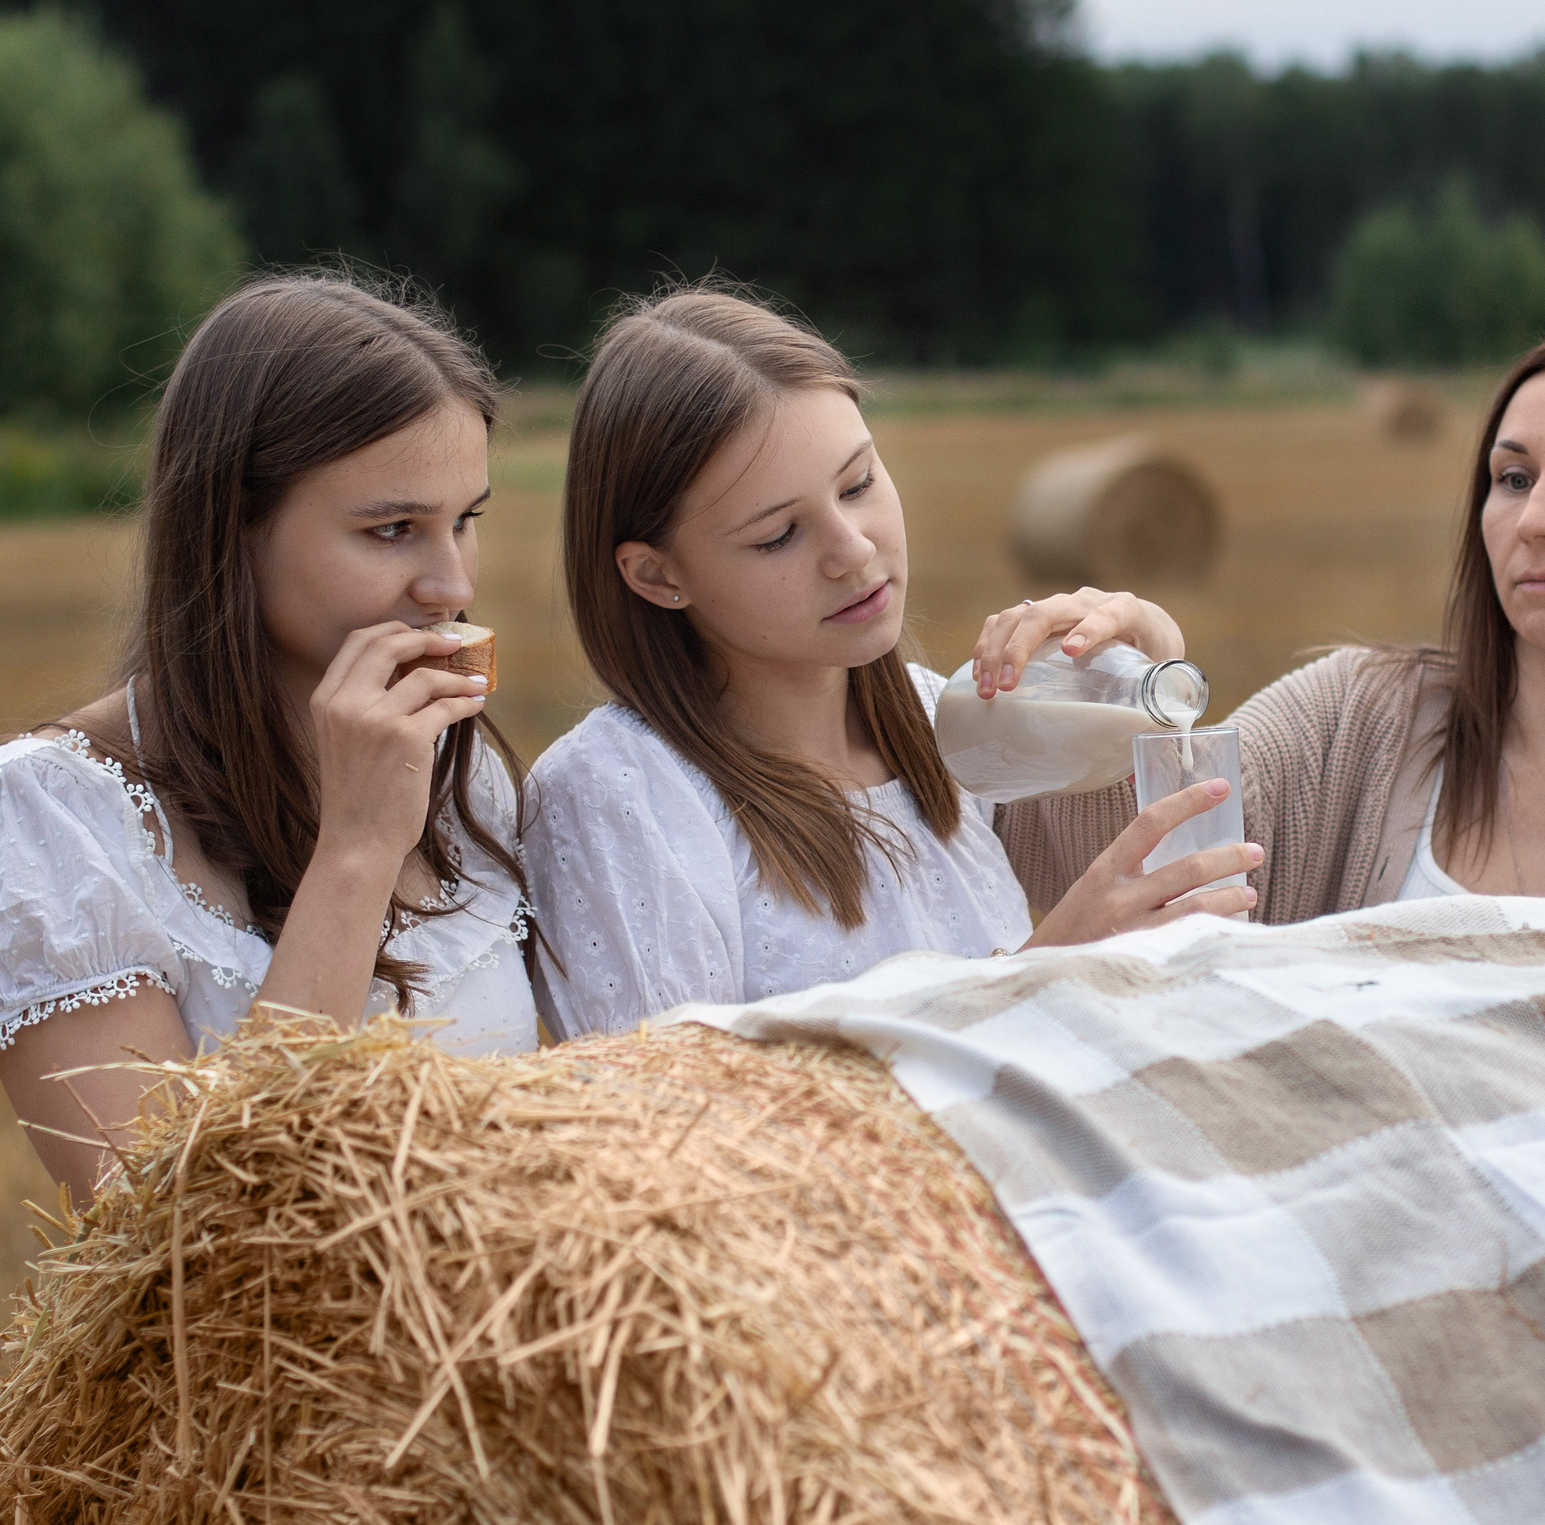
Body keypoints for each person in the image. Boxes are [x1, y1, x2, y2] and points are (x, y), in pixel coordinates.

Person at [0, 274, 537, 1204]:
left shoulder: (464, 782)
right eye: (393, 529)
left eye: (465, 522)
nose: (448, 583)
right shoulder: (47, 823)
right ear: (232, 525)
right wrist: (356, 853)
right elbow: (172, 1240)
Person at [525, 289, 1260, 1034]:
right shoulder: (617, 795)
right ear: (658, 576)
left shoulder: (946, 719)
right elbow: (674, 1127)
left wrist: (1146, 671)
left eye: (858, 483)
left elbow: (1161, 855)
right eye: (778, 534)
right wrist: (1038, 975)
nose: (854, 550)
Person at [1003, 315, 1545, 918]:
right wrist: (1129, 692)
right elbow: (1139, 865)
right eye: (1511, 477)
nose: (1534, 519)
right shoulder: (1358, 720)